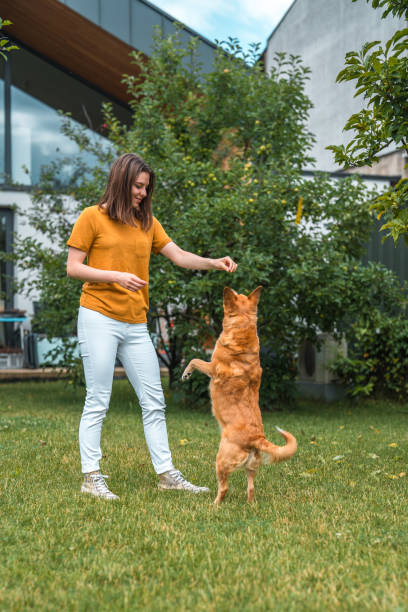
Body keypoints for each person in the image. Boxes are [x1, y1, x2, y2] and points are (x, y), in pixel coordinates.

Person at [66, 153, 237, 500]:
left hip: (134, 323)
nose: (143, 193)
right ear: (120, 181)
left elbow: (178, 255)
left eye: (147, 187)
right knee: (98, 398)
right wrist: (114, 276)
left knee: (154, 401)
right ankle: (91, 477)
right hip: (98, 316)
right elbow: (73, 267)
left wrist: (213, 262)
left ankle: (166, 474)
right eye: (138, 186)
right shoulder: (92, 217)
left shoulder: (147, 223)